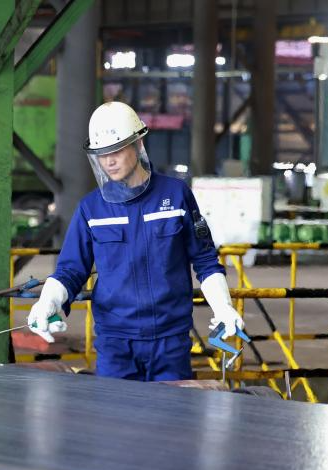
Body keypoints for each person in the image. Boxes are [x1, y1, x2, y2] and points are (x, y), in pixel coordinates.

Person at [27, 101, 244, 381]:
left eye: (116, 150)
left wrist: (224, 306)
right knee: (115, 410)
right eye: (101, 154)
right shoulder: (91, 209)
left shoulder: (176, 196)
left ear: (138, 143)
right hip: (115, 343)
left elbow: (205, 261)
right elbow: (71, 269)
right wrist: (48, 301)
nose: (109, 161)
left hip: (170, 341)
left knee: (173, 409)